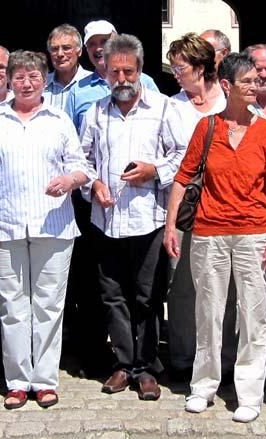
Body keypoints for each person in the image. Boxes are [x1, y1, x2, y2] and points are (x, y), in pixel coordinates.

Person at [165, 51, 266, 423]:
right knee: (209, 311)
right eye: (247, 81)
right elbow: (183, 177)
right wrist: (172, 226)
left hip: (253, 232)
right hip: (209, 231)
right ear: (228, 85)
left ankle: (249, 391)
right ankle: (204, 386)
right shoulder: (207, 127)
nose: (255, 86)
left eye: (256, 81)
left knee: (253, 315)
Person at [80, 34, 187, 401]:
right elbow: (82, 159)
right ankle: (124, 364)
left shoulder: (162, 108)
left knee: (148, 296)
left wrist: (153, 170)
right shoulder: (96, 111)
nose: (122, 78)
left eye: (128, 71)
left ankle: (146, 367)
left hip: (149, 219)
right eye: (114, 72)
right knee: (113, 297)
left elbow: (183, 156)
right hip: (106, 221)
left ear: (140, 70)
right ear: (105, 72)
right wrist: (92, 184)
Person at [0, 50, 94, 410]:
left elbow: (82, 167)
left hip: (54, 225)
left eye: (33, 76)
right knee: (12, 307)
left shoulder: (59, 119)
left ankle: (45, 380)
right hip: (7, 224)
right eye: (19, 76)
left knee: (48, 305)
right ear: (9, 80)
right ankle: (17, 381)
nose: (26, 82)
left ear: (44, 79)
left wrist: (69, 179)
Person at [164, 32, 228, 380]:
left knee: (224, 288)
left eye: (181, 66)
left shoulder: (228, 101)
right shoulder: (171, 106)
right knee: (183, 286)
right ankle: (183, 358)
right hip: (186, 209)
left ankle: (223, 359)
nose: (175, 72)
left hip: (224, 208)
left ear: (201, 67)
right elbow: (167, 158)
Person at [65, 20, 160, 130]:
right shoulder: (77, 91)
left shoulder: (144, 81)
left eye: (104, 42)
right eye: (92, 44)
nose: (98, 48)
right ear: (86, 49)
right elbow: (70, 139)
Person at [44, 24, 92, 110]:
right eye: (54, 49)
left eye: (66, 48)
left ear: (79, 51)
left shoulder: (94, 83)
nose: (60, 54)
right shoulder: (40, 85)